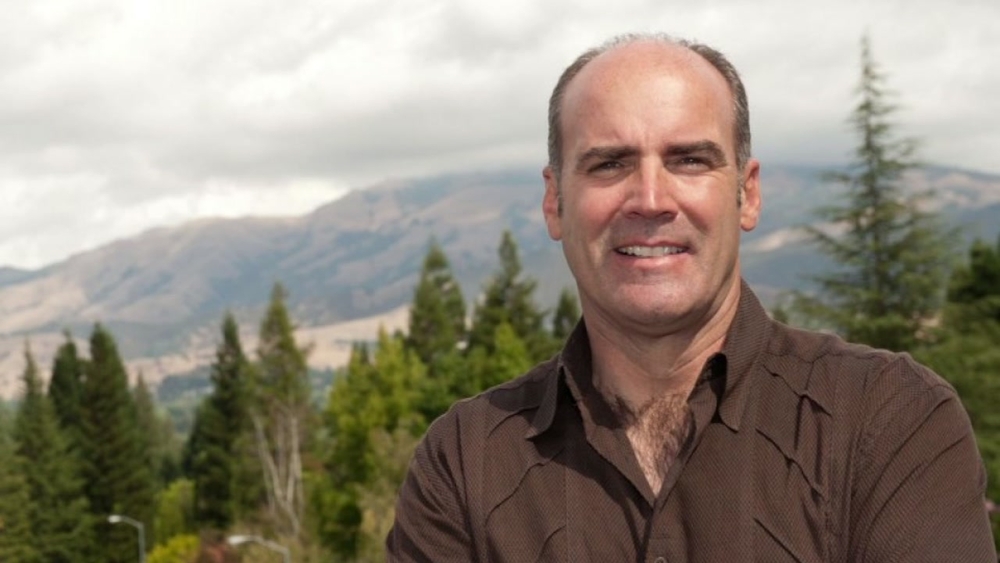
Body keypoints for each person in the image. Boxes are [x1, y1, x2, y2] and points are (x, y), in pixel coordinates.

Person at [387, 33, 997, 562]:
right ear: (555, 202)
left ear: (747, 194)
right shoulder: (466, 462)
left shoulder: (888, 420)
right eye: (609, 164)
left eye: (689, 160)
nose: (651, 199)